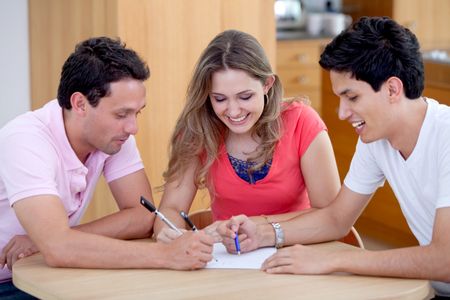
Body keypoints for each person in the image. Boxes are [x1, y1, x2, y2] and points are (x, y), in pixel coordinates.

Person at [218, 17, 450, 297]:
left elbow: (444, 260)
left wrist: (335, 260)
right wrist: (264, 234)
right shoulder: (376, 140)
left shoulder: (445, 137)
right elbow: (337, 218)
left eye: (352, 97)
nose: (341, 113)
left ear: (392, 89)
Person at [0, 37, 213, 299]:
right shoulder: (25, 140)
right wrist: (166, 255)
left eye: (137, 113)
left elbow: (143, 215)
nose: (133, 127)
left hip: (42, 270)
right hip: (8, 281)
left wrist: (52, 239)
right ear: (79, 104)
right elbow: (59, 249)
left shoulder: (113, 138)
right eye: (121, 114)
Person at [154, 29, 340, 244]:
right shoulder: (197, 130)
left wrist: (258, 228)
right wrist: (170, 234)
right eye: (220, 99)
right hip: (231, 261)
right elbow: (171, 209)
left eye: (245, 97)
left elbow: (330, 214)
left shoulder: (302, 122)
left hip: (298, 251)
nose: (233, 112)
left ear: (266, 84)